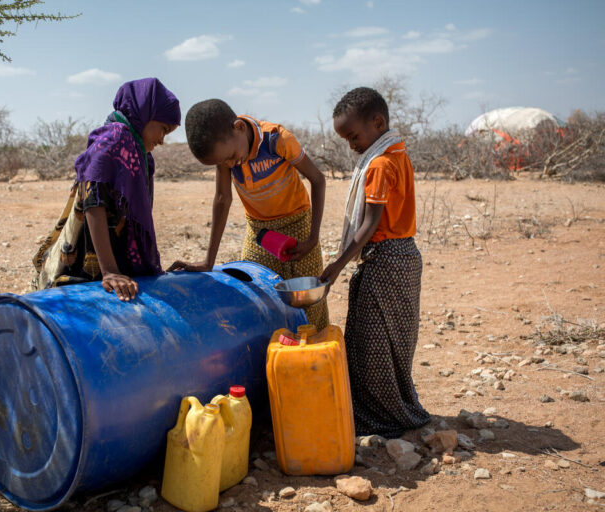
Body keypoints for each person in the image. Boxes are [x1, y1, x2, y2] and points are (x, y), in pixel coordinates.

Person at [320, 87, 430, 437]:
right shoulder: (398, 153)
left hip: (386, 260)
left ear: (377, 122)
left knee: (372, 342)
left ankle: (380, 416)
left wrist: (336, 266)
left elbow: (368, 225)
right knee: (392, 340)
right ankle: (395, 408)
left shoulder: (380, 164)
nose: (351, 145)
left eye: (353, 136)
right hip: (404, 256)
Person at [168, 99, 329, 329]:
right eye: (223, 162)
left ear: (240, 128)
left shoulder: (277, 139)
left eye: (231, 156)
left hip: (298, 225)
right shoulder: (226, 152)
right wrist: (208, 261)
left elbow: (318, 179)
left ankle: (317, 360)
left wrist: (312, 239)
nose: (231, 164)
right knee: (259, 299)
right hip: (260, 232)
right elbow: (223, 199)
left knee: (308, 303)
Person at [31, 78, 180, 301]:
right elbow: (93, 200)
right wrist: (109, 270)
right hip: (90, 263)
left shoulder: (138, 153)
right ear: (145, 114)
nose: (161, 140)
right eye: (163, 130)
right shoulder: (115, 139)